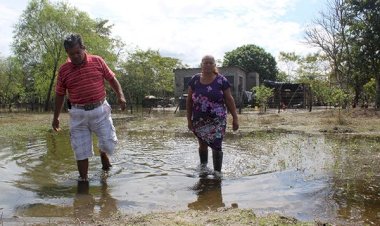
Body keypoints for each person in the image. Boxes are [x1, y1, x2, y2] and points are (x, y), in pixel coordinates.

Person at [52, 34, 126, 181]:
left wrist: (120, 96)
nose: (75, 56)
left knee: (108, 144)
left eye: (78, 52)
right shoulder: (64, 70)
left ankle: (102, 152)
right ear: (67, 53)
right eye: (71, 54)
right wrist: (56, 117)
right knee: (80, 151)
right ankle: (83, 180)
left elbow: (112, 79)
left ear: (83, 48)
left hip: (100, 111)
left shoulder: (97, 61)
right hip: (78, 114)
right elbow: (60, 94)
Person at [186, 55, 239, 174]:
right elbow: (189, 101)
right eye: (205, 63)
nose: (208, 65)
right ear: (201, 65)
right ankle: (203, 169)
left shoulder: (221, 80)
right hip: (199, 119)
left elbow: (229, 99)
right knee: (202, 144)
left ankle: (217, 173)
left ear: (215, 65)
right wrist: (189, 120)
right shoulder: (194, 80)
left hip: (217, 120)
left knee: (217, 145)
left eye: (210, 63)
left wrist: (235, 118)